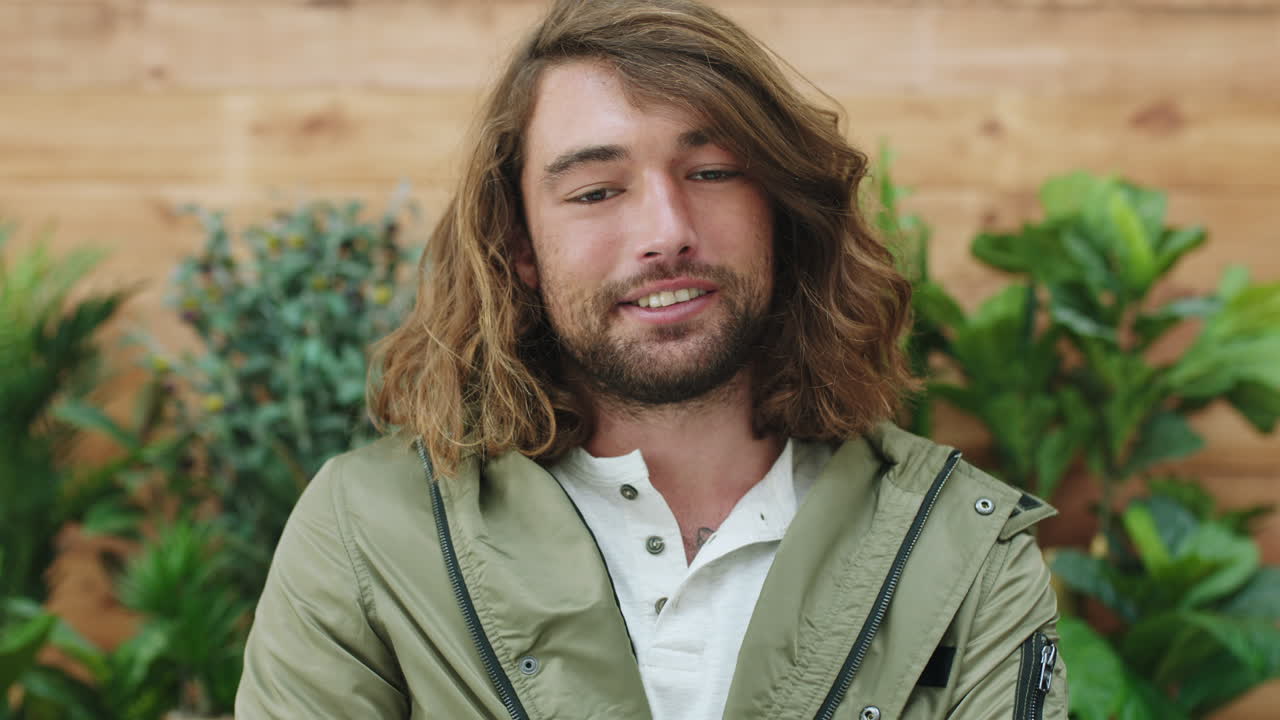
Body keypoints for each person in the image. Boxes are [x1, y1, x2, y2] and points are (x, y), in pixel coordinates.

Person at [236, 0, 1068, 717]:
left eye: (711, 171)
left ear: (779, 206)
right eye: (597, 191)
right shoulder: (369, 530)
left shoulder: (966, 551)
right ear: (521, 247)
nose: (666, 229)